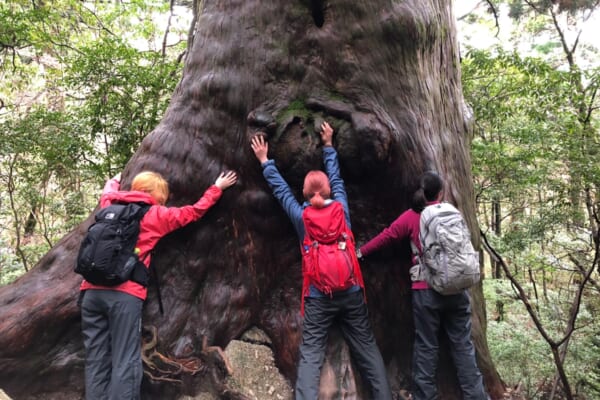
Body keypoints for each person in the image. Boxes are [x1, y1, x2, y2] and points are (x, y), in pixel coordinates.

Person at [250, 122, 392, 400]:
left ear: (304, 192)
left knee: (312, 355)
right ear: (328, 192)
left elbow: (281, 192)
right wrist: (329, 145)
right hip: (350, 290)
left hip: (319, 295)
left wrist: (265, 161)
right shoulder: (341, 210)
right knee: (366, 347)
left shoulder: (302, 218)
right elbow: (337, 180)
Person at [79, 169, 237, 400]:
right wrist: (217, 188)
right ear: (155, 194)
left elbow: (108, 190)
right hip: (125, 294)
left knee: (96, 356)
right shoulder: (155, 215)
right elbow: (193, 212)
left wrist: (113, 180)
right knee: (125, 358)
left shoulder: (109, 206)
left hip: (90, 292)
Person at [358, 171, 488, 400]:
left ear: (421, 191)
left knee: (427, 347)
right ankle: (477, 396)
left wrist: (360, 252)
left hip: (426, 291)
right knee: (463, 347)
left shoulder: (410, 217)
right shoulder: (450, 213)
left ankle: (425, 396)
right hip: (457, 289)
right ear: (441, 192)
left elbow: (386, 236)